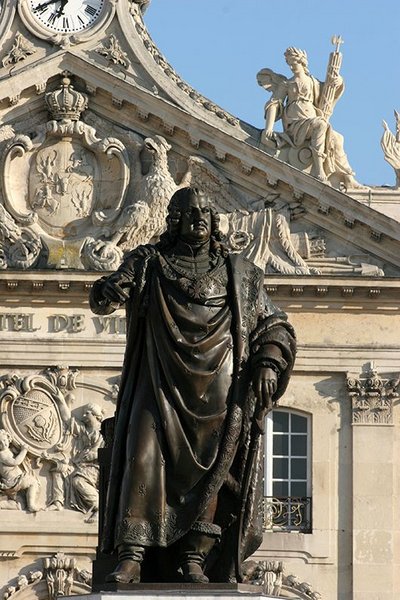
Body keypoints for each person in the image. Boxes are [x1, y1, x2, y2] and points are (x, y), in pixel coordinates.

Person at [90, 187, 296, 583]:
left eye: (205, 212)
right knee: (143, 456)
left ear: (214, 220)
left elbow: (273, 324)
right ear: (173, 220)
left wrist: (269, 361)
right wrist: (108, 290)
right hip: (159, 378)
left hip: (219, 385)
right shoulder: (150, 263)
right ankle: (132, 553)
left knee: (210, 469)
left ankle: (194, 557)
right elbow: (104, 295)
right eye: (188, 212)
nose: (198, 218)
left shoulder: (241, 273)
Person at [257, 47, 361, 188]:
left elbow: (329, 90)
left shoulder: (313, 81)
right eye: (289, 63)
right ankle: (318, 170)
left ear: (302, 62)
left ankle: (348, 177)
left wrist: (338, 80)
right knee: (321, 125)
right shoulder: (286, 83)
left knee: (338, 138)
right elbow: (274, 104)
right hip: (295, 123)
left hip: (311, 117)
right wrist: (269, 128)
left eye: (294, 62)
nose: (291, 66)